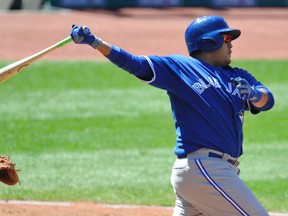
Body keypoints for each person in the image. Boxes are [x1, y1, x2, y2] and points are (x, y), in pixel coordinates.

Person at [70, 15, 274, 216]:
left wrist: (255, 94)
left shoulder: (237, 76)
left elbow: (267, 101)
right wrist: (95, 42)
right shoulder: (180, 68)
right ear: (209, 42)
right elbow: (134, 63)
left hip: (207, 174)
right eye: (227, 38)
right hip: (205, 168)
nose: (231, 44)